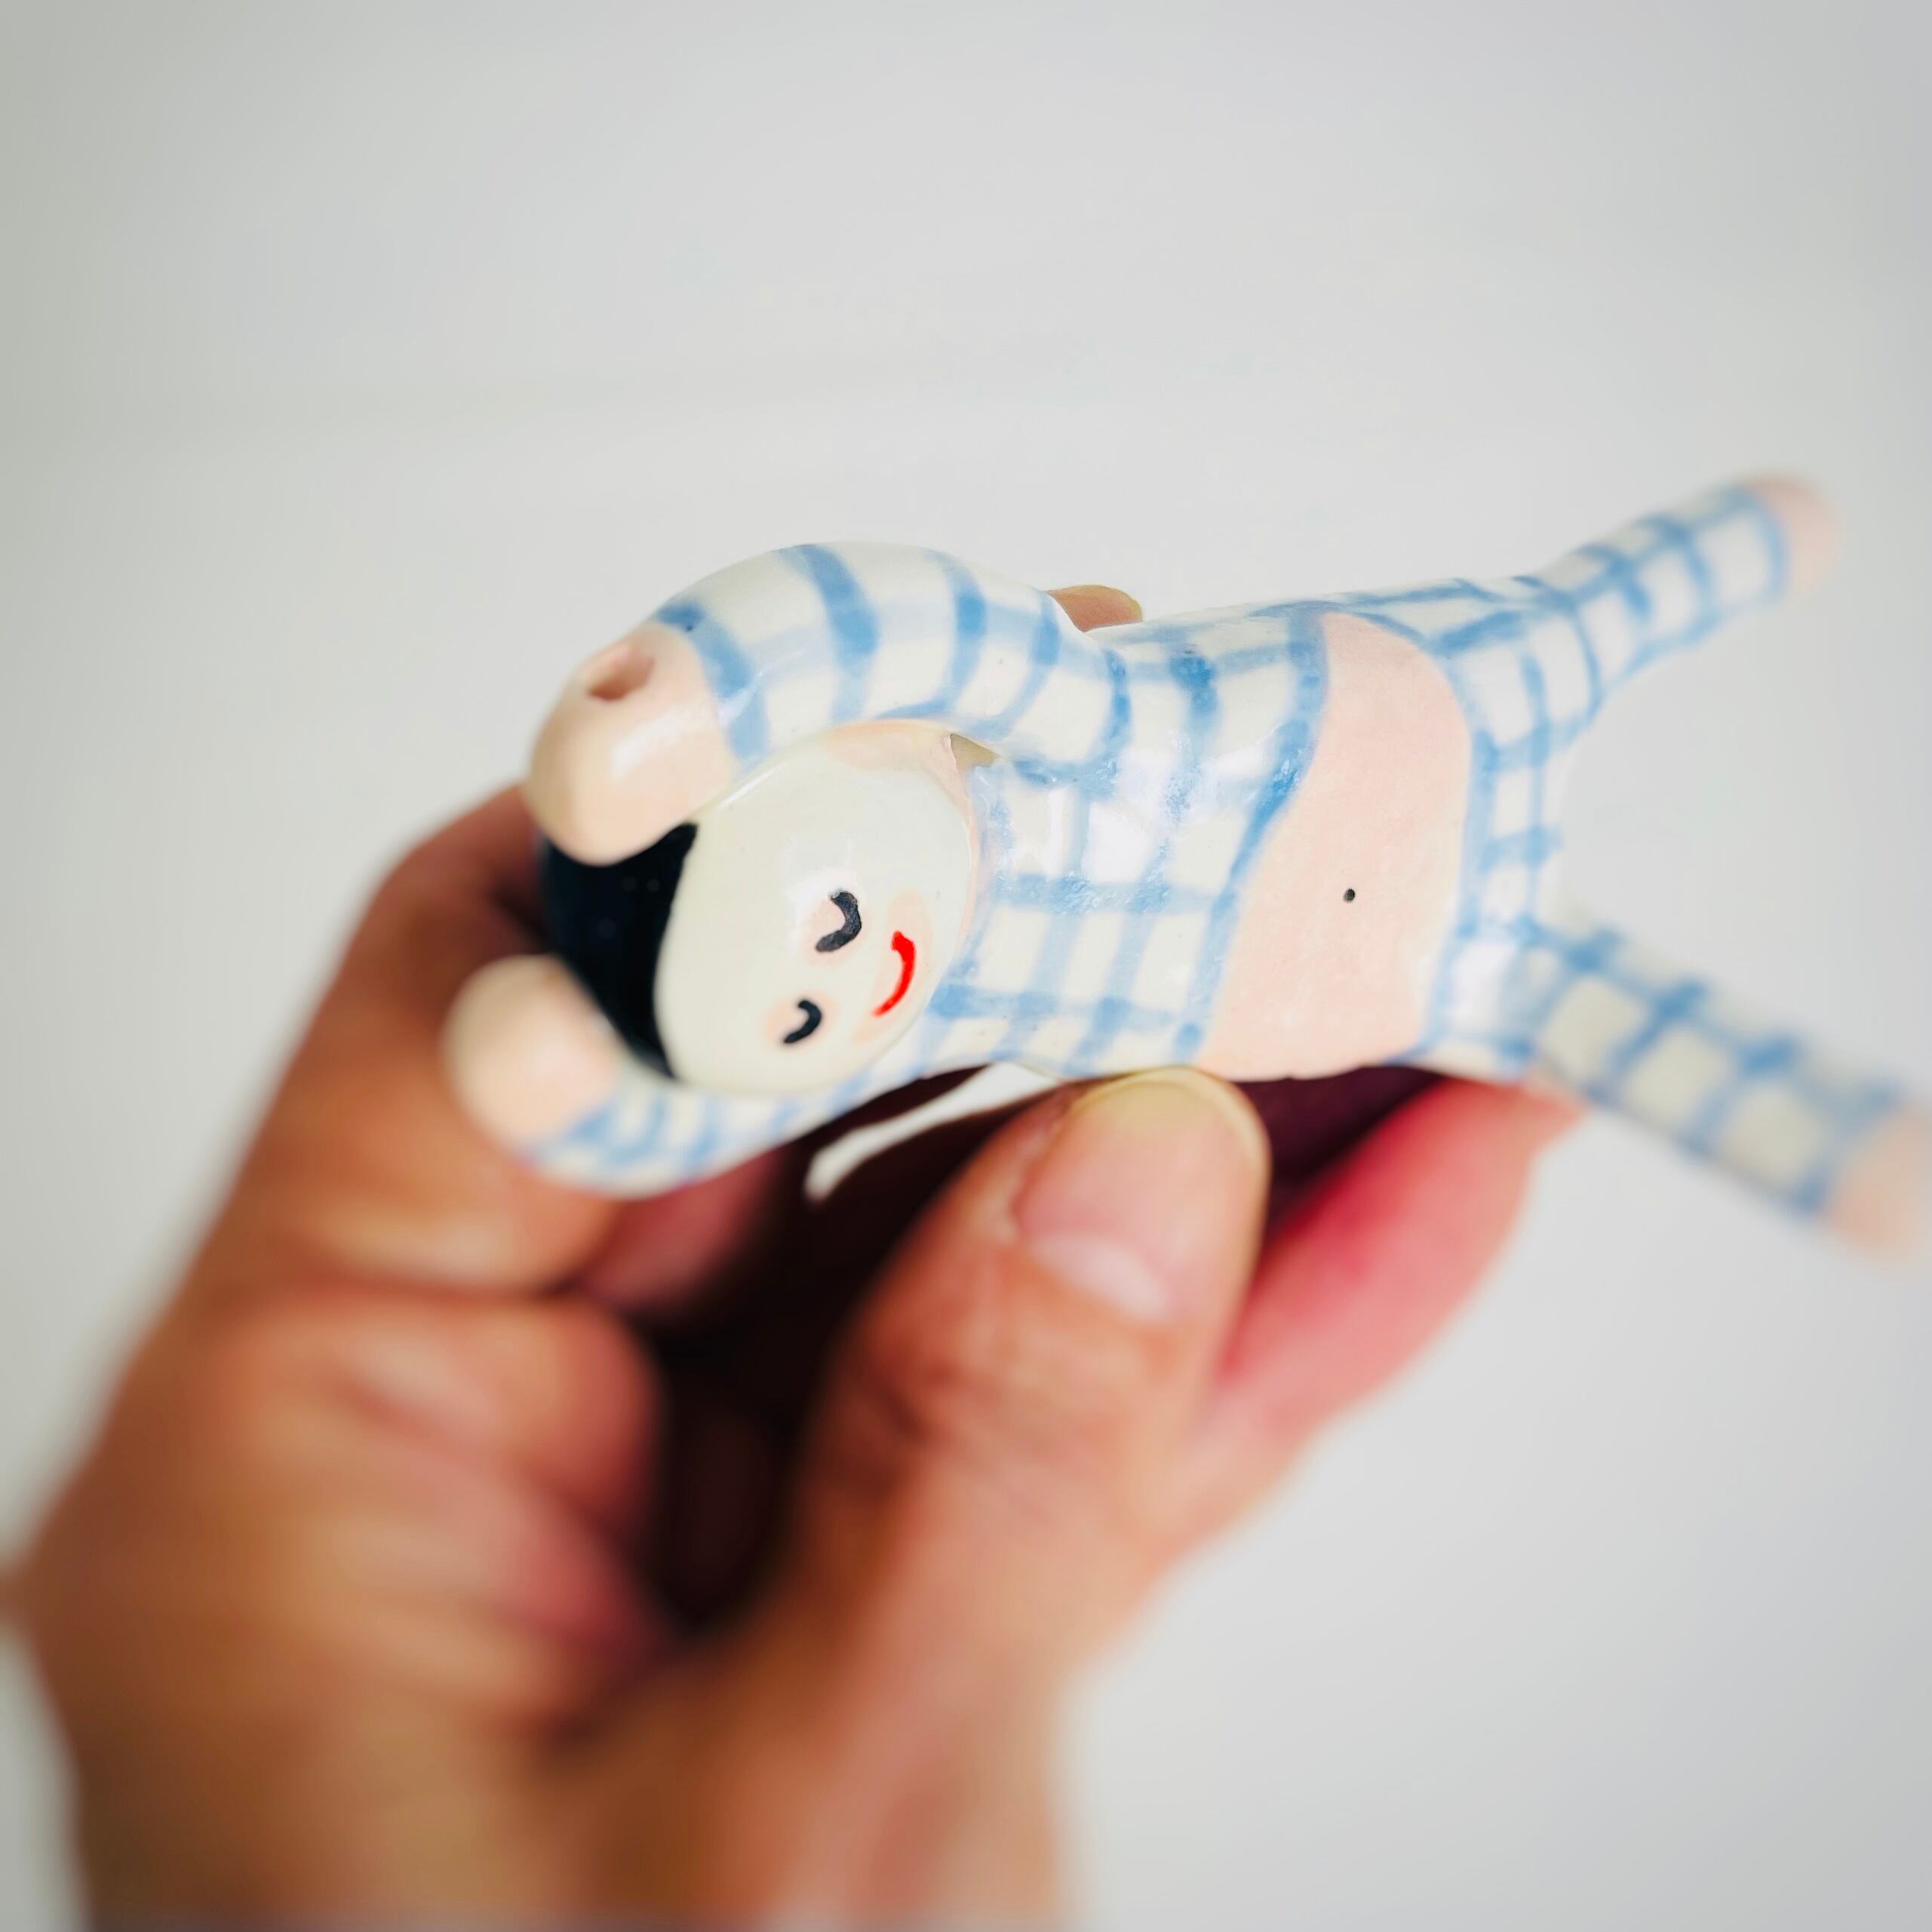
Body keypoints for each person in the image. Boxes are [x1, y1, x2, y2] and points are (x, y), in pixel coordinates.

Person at [12, 587, 1573, 1925]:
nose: (871, 971)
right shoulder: (884, 1020)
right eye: (816, 994)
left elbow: (936, 637)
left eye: (828, 935)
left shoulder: (977, 828)